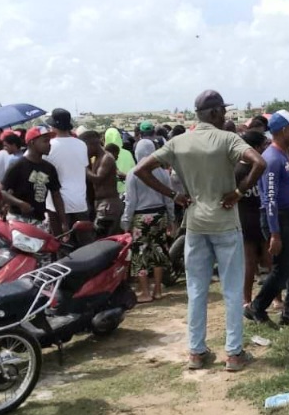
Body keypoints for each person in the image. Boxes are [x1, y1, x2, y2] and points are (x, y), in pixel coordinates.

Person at [135, 90, 266, 372]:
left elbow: (141, 170)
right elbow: (259, 162)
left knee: (196, 290)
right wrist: (239, 192)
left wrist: (174, 195)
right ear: (216, 113)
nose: (225, 116)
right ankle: (233, 354)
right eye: (224, 112)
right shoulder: (228, 138)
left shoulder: (178, 142)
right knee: (232, 290)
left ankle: (196, 352)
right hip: (225, 220)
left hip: (194, 222)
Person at [244, 109, 289, 328]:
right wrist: (274, 233)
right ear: (282, 131)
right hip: (279, 219)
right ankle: (257, 307)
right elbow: (270, 199)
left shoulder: (283, 155)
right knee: (282, 270)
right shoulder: (272, 159)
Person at [122, 139, 174, 303]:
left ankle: (145, 292)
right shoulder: (163, 172)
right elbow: (169, 198)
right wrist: (171, 219)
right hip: (160, 215)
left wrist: (125, 222)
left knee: (140, 254)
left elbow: (130, 202)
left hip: (140, 217)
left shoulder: (133, 172)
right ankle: (158, 289)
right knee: (158, 251)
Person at [2, 126, 68, 232]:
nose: (49, 144)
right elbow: (3, 192)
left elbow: (56, 195)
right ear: (32, 142)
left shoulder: (49, 168)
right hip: (18, 220)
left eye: (49, 141)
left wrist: (64, 222)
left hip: (40, 221)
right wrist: (20, 204)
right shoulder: (18, 165)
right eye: (45, 141)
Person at [44, 108, 92, 245]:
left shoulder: (49, 146)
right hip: (79, 201)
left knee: (61, 245)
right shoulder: (81, 145)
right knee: (84, 245)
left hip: (56, 205)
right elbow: (83, 167)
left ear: (54, 126)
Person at [235, 131, 271, 307]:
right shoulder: (262, 167)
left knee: (250, 263)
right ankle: (275, 299)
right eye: (263, 146)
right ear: (255, 148)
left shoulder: (236, 170)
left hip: (245, 219)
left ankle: (246, 300)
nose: (265, 149)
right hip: (259, 218)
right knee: (268, 261)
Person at [81, 131, 123, 237]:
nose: (84, 151)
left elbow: (98, 179)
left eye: (85, 147)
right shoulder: (98, 158)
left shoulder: (106, 158)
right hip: (103, 205)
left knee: (104, 239)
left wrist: (83, 166)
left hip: (108, 206)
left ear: (92, 144)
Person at [105, 127, 136, 194]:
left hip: (110, 192)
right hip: (127, 190)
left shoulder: (103, 155)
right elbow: (134, 171)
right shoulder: (128, 153)